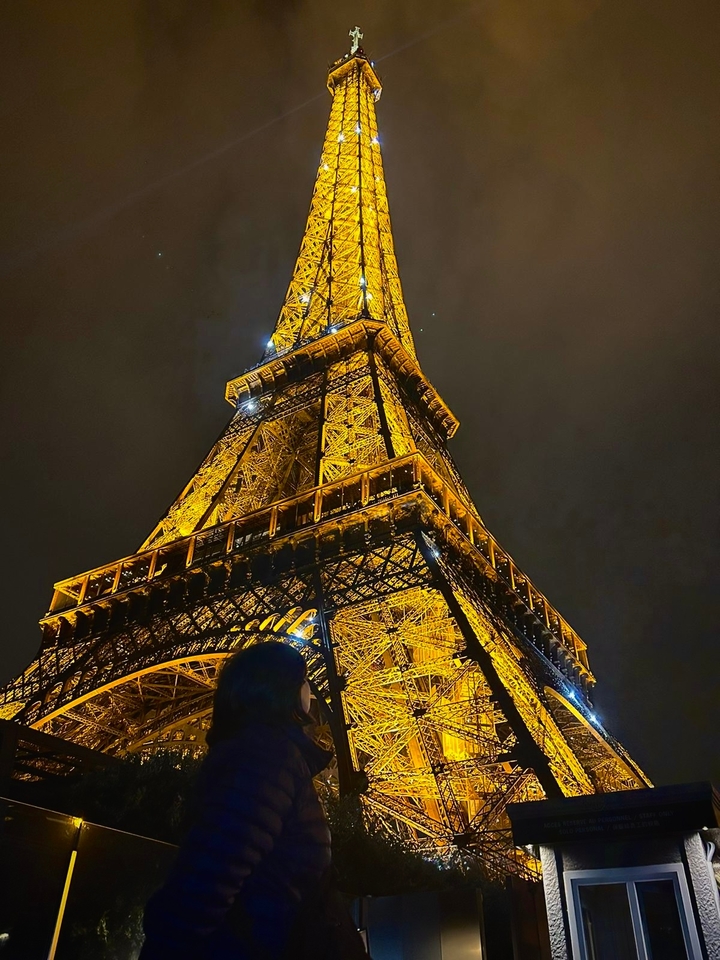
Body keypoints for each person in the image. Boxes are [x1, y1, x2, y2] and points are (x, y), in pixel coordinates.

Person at [140, 641, 367, 960]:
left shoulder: (267, 755)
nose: (309, 690)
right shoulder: (266, 756)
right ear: (279, 689)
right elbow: (205, 883)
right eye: (303, 680)